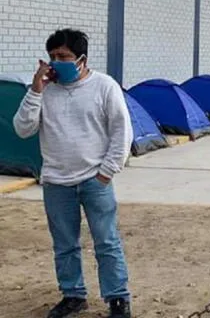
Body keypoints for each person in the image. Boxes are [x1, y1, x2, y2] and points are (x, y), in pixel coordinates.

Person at [13, 29, 133, 318]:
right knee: (65, 245)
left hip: (95, 180)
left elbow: (121, 131)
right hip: (56, 183)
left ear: (81, 58)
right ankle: (73, 295)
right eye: (52, 57)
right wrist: (36, 90)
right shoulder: (45, 91)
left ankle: (117, 298)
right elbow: (22, 128)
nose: (57, 62)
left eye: (64, 56)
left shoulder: (104, 86)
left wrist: (107, 172)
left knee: (106, 242)